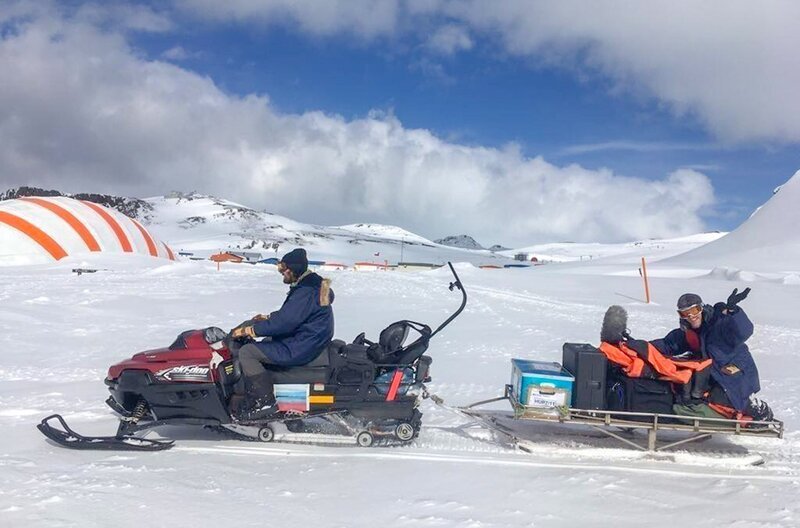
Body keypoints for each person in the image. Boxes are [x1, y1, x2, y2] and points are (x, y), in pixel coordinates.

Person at [230, 248, 335, 421]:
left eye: (283, 271)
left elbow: (286, 322)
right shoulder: (315, 285)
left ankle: (262, 403)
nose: (282, 275)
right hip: (311, 340)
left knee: (248, 352)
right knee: (267, 341)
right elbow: (298, 314)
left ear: (293, 270)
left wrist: (250, 330)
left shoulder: (306, 291)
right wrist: (268, 318)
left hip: (301, 346)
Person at [652, 288, 773, 421]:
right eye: (685, 313)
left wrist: (734, 311)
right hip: (713, 375)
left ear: (701, 308)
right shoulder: (688, 333)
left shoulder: (719, 323)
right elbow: (667, 344)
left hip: (735, 372)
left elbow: (744, 331)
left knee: (732, 399)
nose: (691, 316)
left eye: (694, 310)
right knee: (690, 394)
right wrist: (639, 346)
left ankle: (759, 409)